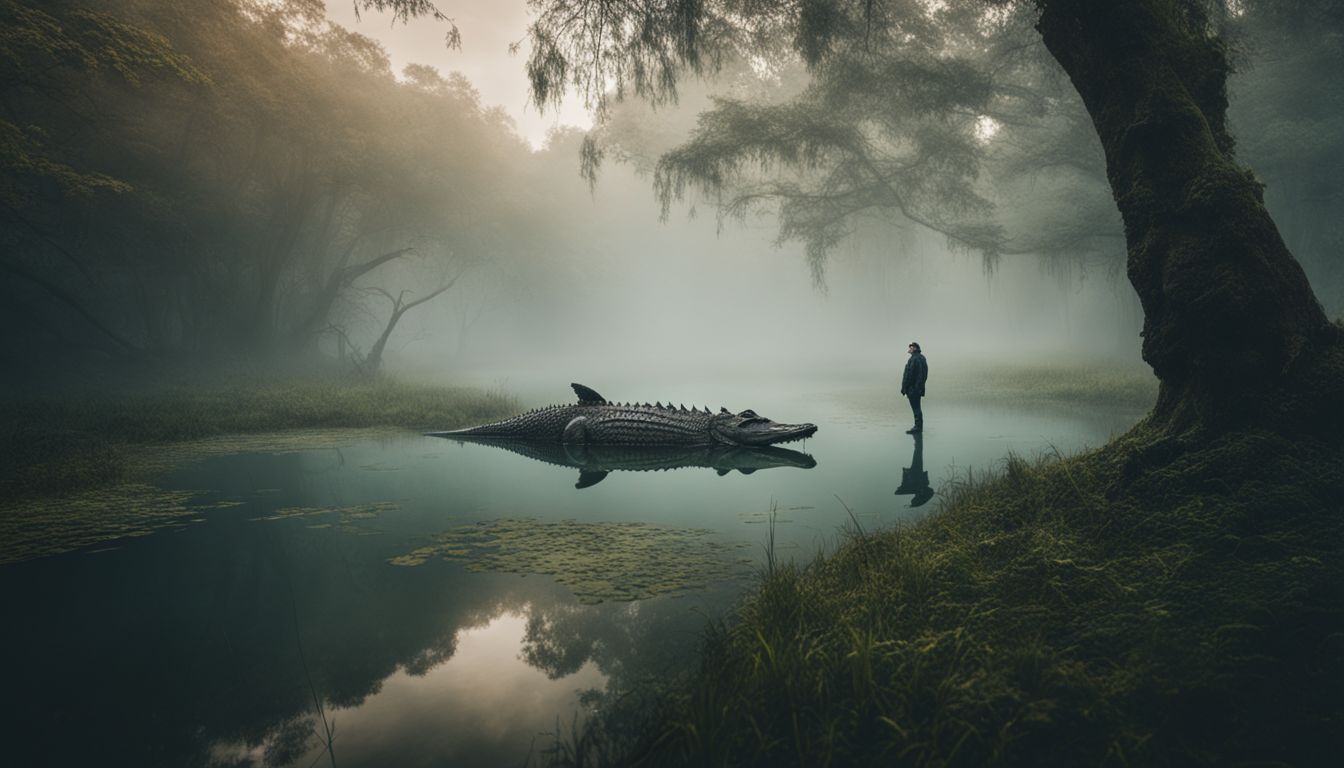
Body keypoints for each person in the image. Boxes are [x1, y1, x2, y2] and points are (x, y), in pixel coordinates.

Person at [900, 341, 928, 434]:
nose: (909, 349)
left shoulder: (914, 359)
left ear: (915, 348)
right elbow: (924, 374)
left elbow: (911, 375)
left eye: (911, 347)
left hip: (914, 389)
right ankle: (918, 426)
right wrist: (920, 386)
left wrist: (908, 388)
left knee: (916, 408)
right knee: (917, 408)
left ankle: (918, 427)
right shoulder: (921, 358)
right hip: (917, 388)